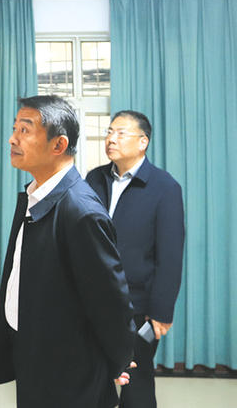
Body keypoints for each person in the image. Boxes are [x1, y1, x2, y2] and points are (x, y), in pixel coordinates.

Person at [0, 95, 136, 408]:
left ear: (58, 144)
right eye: (14, 128)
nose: (13, 138)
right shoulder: (36, 197)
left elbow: (110, 300)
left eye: (25, 130)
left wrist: (119, 359)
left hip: (69, 370)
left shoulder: (80, 211)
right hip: (34, 352)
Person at [86, 111, 185, 408]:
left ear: (143, 142)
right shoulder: (94, 179)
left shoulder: (164, 187)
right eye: (109, 132)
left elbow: (170, 253)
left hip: (136, 306)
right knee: (92, 379)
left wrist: (161, 310)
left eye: (121, 133)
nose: (111, 139)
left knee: (136, 383)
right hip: (92, 300)